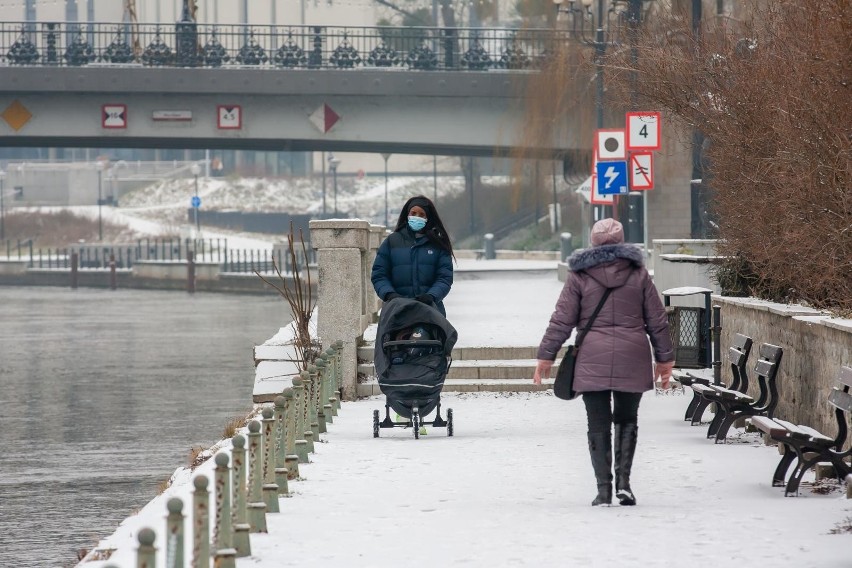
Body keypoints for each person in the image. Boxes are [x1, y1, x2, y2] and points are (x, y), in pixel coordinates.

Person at [533, 218, 674, 507]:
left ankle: (604, 489)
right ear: (623, 241)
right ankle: (624, 484)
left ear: (593, 241)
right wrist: (665, 359)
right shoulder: (639, 274)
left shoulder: (580, 275)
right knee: (627, 419)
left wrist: (546, 355)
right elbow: (657, 320)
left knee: (597, 423)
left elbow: (562, 319)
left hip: (591, 356)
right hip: (632, 354)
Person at [371, 195, 455, 317]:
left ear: (428, 218)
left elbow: (445, 278)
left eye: (422, 215)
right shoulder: (391, 242)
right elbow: (379, 275)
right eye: (413, 213)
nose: (417, 217)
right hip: (396, 311)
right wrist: (390, 295)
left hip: (431, 310)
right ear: (407, 214)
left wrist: (431, 296)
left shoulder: (438, 244)